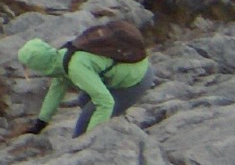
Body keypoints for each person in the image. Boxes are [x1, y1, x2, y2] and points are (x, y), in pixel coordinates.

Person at [16, 35, 154, 136]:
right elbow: (56, 91)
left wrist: (89, 140)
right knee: (83, 100)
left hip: (136, 79)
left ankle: (114, 135)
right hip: (132, 69)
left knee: (81, 131)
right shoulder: (62, 56)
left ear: (39, 65)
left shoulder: (75, 67)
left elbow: (105, 102)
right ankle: (113, 125)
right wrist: (41, 124)